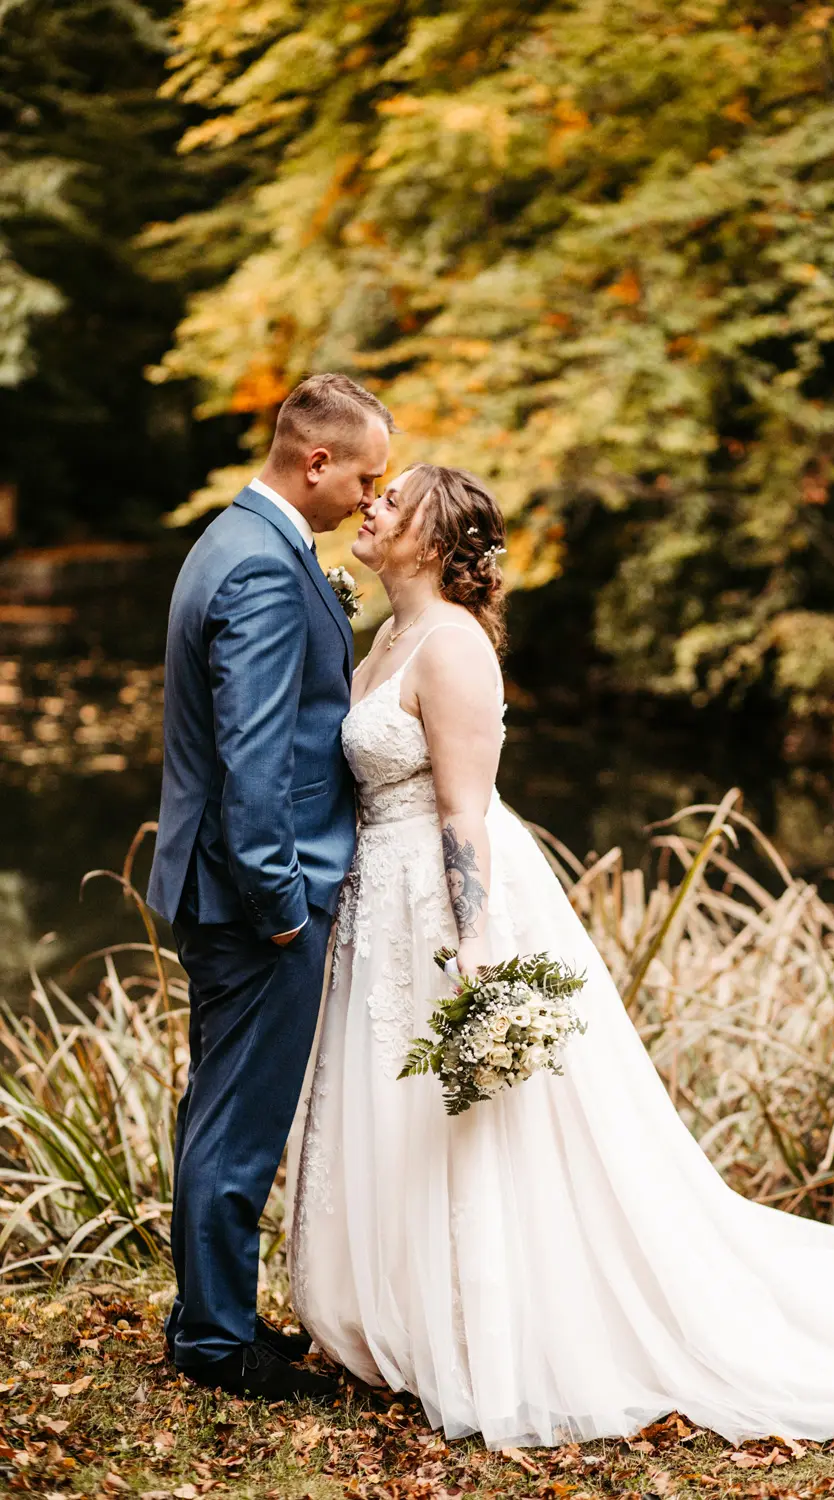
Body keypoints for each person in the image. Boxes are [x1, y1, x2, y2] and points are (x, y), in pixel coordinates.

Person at [290, 461, 834, 1448]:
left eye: (393, 501)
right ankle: (406, 1316)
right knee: (401, 1108)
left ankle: (489, 1329)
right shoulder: (386, 641)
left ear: (437, 541)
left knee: (477, 1125)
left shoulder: (452, 652)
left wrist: (478, 949)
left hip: (446, 910)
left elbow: (463, 815)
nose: (371, 506)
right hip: (379, 906)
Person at [146, 373, 392, 1398]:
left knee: (219, 1110)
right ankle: (215, 1346)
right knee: (240, 1123)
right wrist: (284, 908)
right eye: (365, 476)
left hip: (222, 891)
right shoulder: (260, 568)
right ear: (315, 460)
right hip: (254, 903)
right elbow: (254, 765)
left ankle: (211, 1315)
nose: (370, 499)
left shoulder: (241, 539)